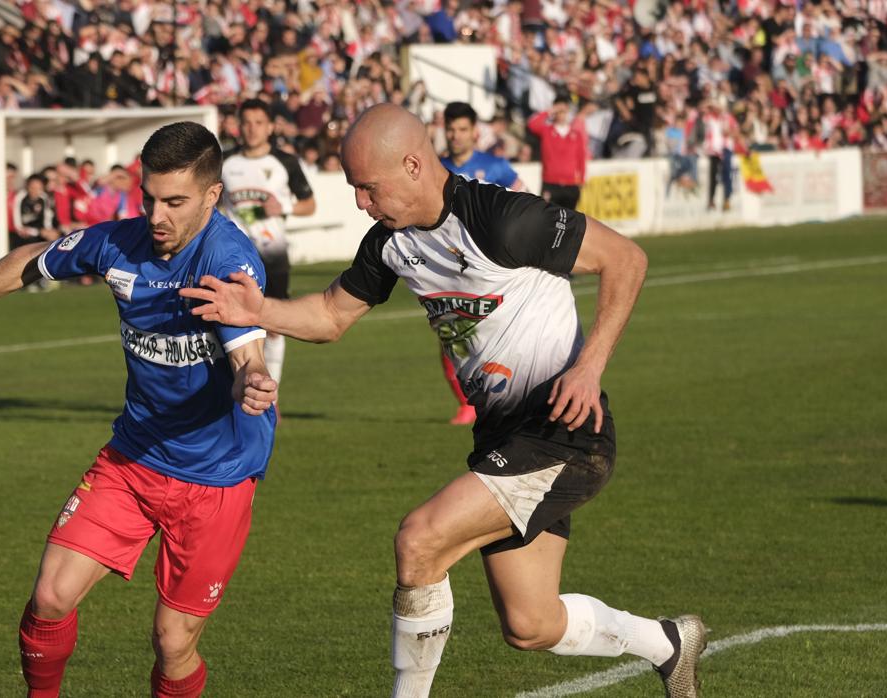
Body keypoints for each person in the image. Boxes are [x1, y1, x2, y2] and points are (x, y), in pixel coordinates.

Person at [181, 104, 705, 698]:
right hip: (502, 436)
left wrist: (589, 367)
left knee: (420, 540)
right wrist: (259, 311)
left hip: (562, 427)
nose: (360, 202)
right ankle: (668, 642)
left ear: (411, 165)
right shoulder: (389, 243)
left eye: (367, 187)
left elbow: (626, 259)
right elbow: (329, 316)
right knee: (530, 624)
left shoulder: (502, 219)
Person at [0, 122, 279, 698]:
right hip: (134, 457)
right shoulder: (119, 242)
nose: (157, 215)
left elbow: (248, 353)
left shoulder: (228, 259)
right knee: (50, 596)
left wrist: (254, 380)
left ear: (212, 196)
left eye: (175, 201)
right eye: (148, 198)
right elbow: (30, 260)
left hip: (216, 478)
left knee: (172, 643)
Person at [219, 98, 316, 400]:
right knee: (228, 324)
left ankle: (271, 396)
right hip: (233, 257)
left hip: (272, 256)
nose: (252, 129)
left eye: (259, 122)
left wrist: (283, 206)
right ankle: (235, 391)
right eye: (246, 122)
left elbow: (310, 204)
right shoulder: (224, 162)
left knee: (273, 327)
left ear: (271, 126)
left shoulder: (285, 162)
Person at [438, 100, 526, 425]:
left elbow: (525, 203)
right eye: (451, 129)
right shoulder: (436, 169)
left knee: (498, 333)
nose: (456, 135)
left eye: (462, 129)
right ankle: (468, 404)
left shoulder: (496, 167)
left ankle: (510, 396)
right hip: (449, 268)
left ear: (475, 132)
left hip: (492, 265)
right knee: (451, 336)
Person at [527, 94, 593, 211]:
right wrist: (551, 110)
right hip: (550, 182)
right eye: (559, 111)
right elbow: (532, 124)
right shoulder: (546, 131)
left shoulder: (575, 134)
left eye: (564, 111)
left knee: (569, 219)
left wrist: (582, 179)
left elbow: (581, 157)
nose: (562, 114)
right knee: (548, 217)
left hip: (571, 184)